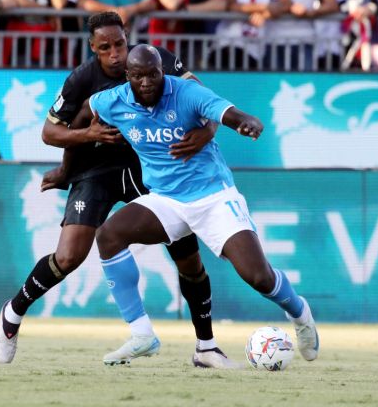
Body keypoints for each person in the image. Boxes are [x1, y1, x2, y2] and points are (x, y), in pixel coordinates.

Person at [0, 12, 241, 369]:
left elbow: (205, 100)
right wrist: (84, 142)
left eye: (119, 44)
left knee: (187, 258)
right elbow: (50, 133)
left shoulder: (157, 61)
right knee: (69, 256)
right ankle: (13, 313)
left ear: (128, 37)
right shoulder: (81, 79)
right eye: (104, 47)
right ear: (92, 48)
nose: (115, 54)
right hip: (97, 169)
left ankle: (206, 347)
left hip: (150, 169)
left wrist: (207, 132)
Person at [85, 44, 319, 364]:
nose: (147, 82)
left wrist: (244, 122)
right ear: (128, 77)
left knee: (258, 276)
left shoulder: (185, 92)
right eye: (138, 76)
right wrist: (81, 139)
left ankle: (300, 313)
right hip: (166, 199)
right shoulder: (113, 100)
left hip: (213, 196)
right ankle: (142, 334)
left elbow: (226, 112)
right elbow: (85, 113)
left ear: (161, 72)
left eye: (153, 74)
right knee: (109, 235)